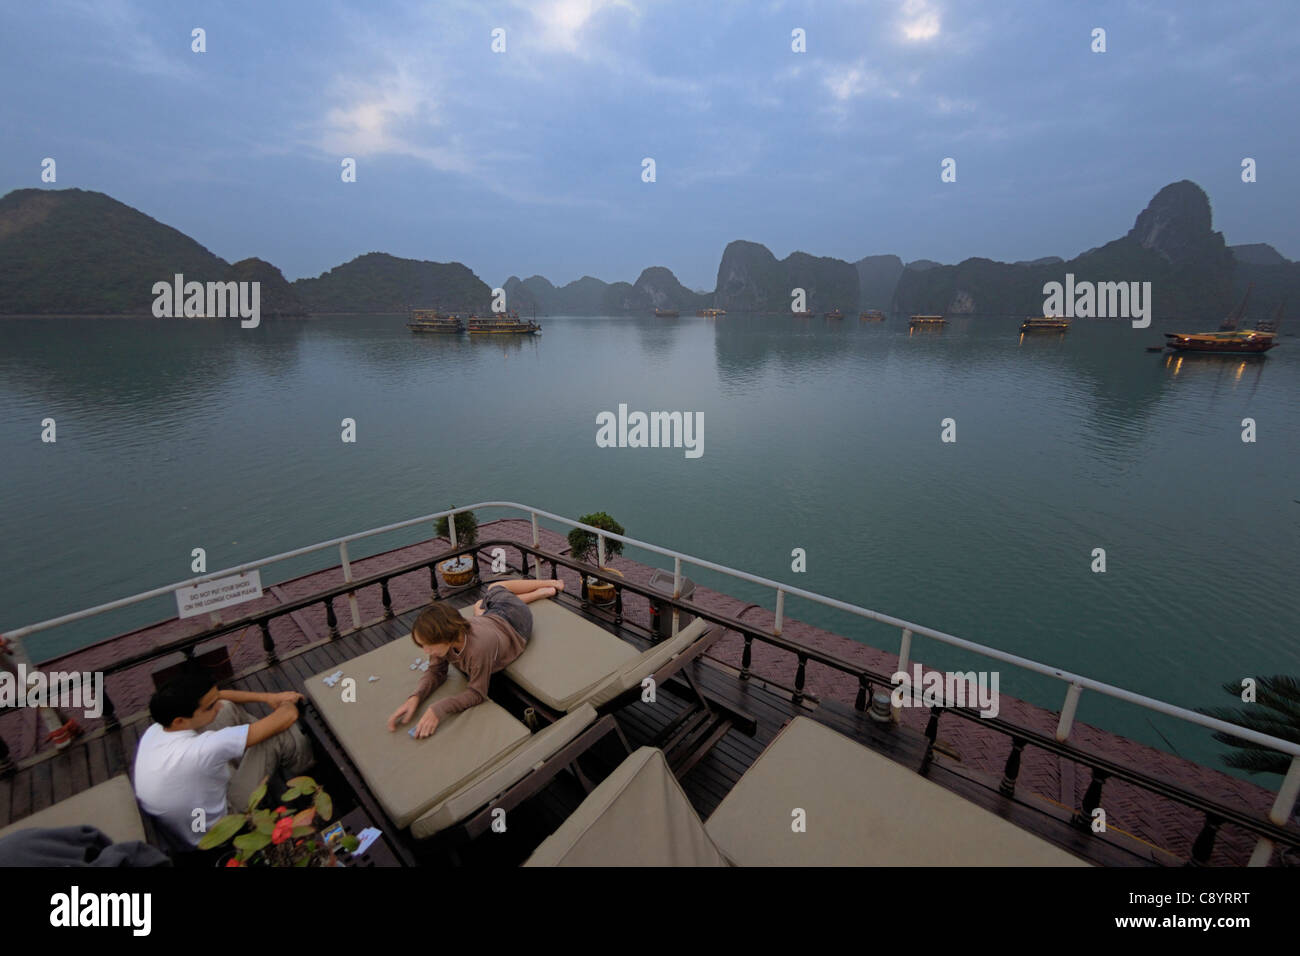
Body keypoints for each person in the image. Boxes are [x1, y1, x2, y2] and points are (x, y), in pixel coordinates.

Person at [132, 667, 314, 849]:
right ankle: (307, 769)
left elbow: (220, 696)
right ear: (179, 720)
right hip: (223, 827)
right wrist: (286, 703)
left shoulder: (157, 728)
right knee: (276, 735)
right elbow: (288, 715)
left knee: (226, 708)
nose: (216, 705)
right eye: (210, 707)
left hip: (195, 810)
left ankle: (251, 741)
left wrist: (268, 698)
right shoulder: (202, 750)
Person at [387, 579, 564, 739]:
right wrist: (416, 697)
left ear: (446, 636)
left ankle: (548, 585)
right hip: (491, 620)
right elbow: (436, 671)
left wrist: (439, 709)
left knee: (495, 587)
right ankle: (484, 609)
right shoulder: (446, 640)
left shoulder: (478, 649)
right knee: (487, 605)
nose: (426, 651)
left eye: (428, 645)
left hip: (515, 621)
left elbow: (477, 693)